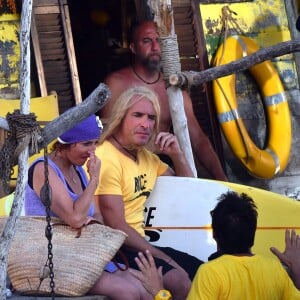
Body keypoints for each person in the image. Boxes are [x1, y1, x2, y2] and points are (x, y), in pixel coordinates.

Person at [25, 114, 153, 300]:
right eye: (86, 144)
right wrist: (94, 180)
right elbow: (75, 218)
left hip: (84, 253)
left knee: (145, 288)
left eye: (95, 143)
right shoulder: (42, 169)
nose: (92, 151)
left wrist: (95, 225)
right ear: (65, 144)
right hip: (54, 259)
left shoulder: (77, 169)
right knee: (128, 292)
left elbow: (97, 214)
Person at [94, 86, 203, 300]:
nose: (146, 124)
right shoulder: (106, 157)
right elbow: (116, 226)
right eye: (137, 115)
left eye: (151, 118)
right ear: (120, 117)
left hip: (144, 242)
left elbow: (189, 190)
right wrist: (165, 258)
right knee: (179, 281)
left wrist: (177, 155)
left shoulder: (146, 157)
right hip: (119, 248)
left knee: (203, 272)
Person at [100, 20, 227, 181]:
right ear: (133, 48)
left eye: (158, 41)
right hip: (127, 171)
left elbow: (198, 139)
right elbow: (107, 136)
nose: (155, 47)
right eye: (147, 41)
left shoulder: (173, 87)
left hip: (163, 168)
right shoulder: (116, 83)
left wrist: (222, 179)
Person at [187, 191, 300, 300]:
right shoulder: (276, 270)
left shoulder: (209, 273)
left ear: (214, 234)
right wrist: (297, 271)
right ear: (253, 232)